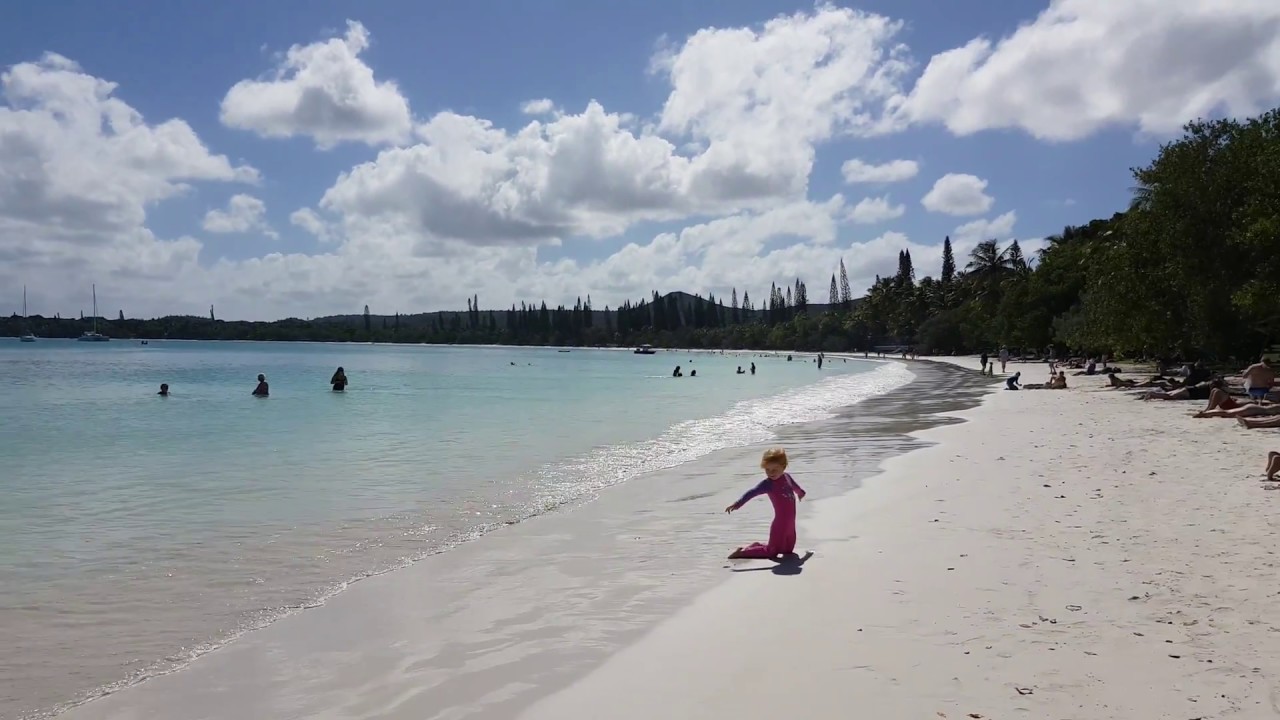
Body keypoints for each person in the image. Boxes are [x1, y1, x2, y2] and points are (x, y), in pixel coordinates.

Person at [725, 448, 805, 560]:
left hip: (791, 524)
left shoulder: (787, 477)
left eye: (774, 469)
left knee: (787, 551)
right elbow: (751, 492)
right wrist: (738, 503)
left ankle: (757, 546)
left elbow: (795, 487)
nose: (770, 473)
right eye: (767, 469)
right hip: (779, 524)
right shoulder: (768, 484)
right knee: (771, 553)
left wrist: (801, 493)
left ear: (783, 467)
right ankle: (741, 552)